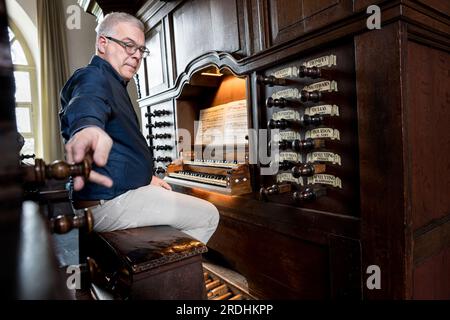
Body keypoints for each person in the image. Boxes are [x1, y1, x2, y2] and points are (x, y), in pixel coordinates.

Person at [59, 12, 219, 244]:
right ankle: (167, 274)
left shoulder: (113, 82)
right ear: (102, 43)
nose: (136, 55)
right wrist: (87, 128)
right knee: (208, 215)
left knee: (167, 192)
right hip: (106, 205)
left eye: (141, 50)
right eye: (128, 45)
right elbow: (87, 103)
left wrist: (146, 178)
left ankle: (162, 268)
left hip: (112, 197)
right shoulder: (93, 78)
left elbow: (119, 154)